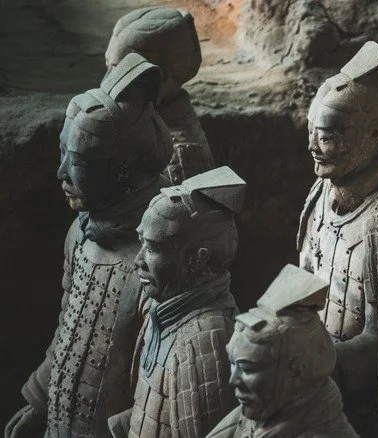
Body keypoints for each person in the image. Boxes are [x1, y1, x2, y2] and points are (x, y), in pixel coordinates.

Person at [5, 53, 172, 438]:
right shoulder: (81, 232)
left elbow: (164, 385)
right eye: (63, 153)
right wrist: (42, 402)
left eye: (79, 162)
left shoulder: (161, 256)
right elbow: (70, 332)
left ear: (124, 168)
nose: (62, 172)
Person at [297, 40, 378, 436]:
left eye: (327, 136)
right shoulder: (323, 191)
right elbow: (304, 277)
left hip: (348, 399)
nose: (312, 147)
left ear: (373, 133)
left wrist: (315, 364)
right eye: (311, 131)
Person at [108, 167, 245, 437]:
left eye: (154, 248)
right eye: (141, 243)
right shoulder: (164, 310)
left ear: (199, 258)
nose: (138, 260)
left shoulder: (207, 339)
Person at [206, 265, 358, 438]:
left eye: (247, 368)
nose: (233, 380)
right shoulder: (259, 415)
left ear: (296, 371)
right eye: (233, 364)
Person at [106, 6, 214, 184]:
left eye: (120, 72)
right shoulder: (143, 124)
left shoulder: (179, 160)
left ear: (159, 78)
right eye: (107, 65)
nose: (107, 82)